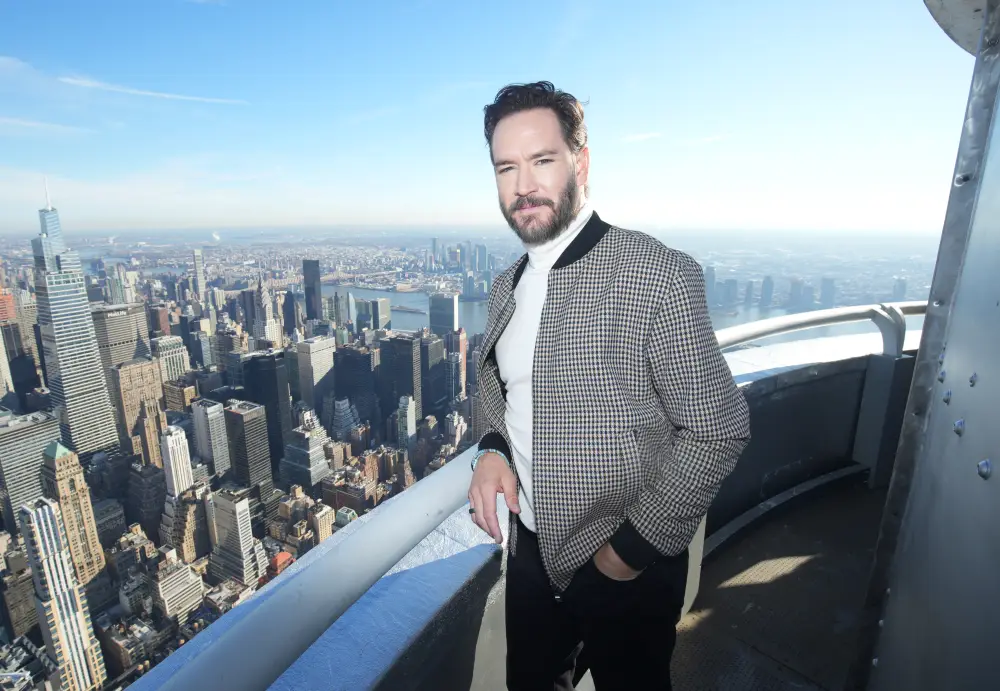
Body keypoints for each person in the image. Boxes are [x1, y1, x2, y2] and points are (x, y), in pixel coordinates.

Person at [466, 81, 753, 690]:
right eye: (506, 167)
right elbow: (498, 388)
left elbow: (719, 428)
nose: (523, 186)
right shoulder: (504, 289)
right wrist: (492, 448)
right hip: (534, 559)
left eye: (542, 161)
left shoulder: (657, 275)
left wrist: (626, 554)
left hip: (629, 564)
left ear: (581, 161)